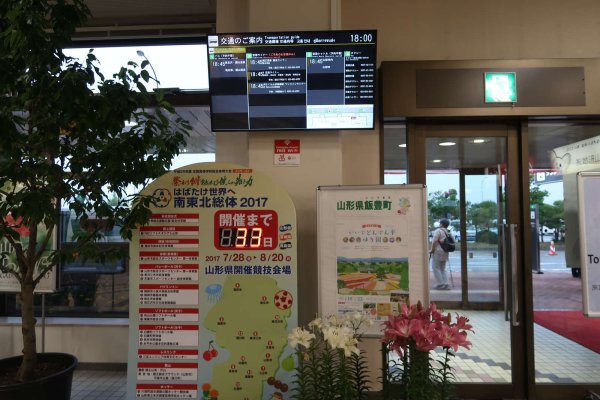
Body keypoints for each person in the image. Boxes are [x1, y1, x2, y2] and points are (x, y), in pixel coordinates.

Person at [430, 218, 452, 290]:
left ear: (441, 224)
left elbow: (434, 242)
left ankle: (440, 284)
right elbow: (453, 240)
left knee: (435, 268)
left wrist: (432, 250)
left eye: (440, 223)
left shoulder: (438, 231)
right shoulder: (448, 232)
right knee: (442, 268)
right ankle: (446, 283)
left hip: (438, 251)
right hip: (446, 251)